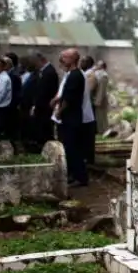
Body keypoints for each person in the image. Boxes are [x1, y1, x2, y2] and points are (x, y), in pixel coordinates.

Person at [52, 48, 88, 187]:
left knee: (74, 148)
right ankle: (74, 175)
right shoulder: (71, 74)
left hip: (72, 116)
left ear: (73, 59)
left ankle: (80, 177)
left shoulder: (75, 75)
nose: (62, 59)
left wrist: (59, 111)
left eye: (65, 57)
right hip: (70, 116)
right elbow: (65, 94)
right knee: (69, 147)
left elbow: (69, 98)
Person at [32, 52, 59, 149]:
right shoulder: (43, 71)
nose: (35, 65)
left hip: (46, 106)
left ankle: (47, 145)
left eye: (36, 62)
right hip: (41, 105)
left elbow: (49, 90)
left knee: (46, 127)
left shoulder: (50, 72)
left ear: (41, 60)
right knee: (41, 127)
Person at [80, 56, 97, 165]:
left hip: (87, 108)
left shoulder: (90, 75)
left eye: (83, 61)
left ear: (88, 63)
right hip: (84, 108)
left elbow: (87, 93)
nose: (80, 63)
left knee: (88, 135)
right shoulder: (84, 74)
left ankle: (89, 158)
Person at [19, 57, 39, 152]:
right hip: (24, 105)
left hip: (30, 105)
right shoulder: (26, 75)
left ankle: (31, 146)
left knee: (30, 126)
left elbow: (35, 91)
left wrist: (34, 104)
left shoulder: (35, 76)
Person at [93, 60, 110, 134]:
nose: (97, 66)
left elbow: (102, 90)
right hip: (97, 98)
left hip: (101, 100)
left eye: (99, 64)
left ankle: (104, 130)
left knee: (102, 116)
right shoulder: (99, 74)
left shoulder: (103, 76)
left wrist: (98, 101)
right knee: (98, 116)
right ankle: (100, 130)